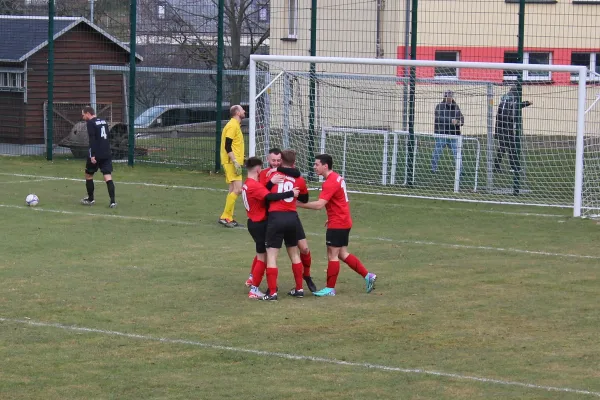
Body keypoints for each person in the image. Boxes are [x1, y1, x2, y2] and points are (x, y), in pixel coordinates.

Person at [297, 154, 377, 297]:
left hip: (338, 223)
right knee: (342, 253)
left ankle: (330, 289)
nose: (314, 167)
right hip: (343, 220)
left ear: (325, 166)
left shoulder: (330, 182)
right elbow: (340, 200)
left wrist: (298, 204)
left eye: (316, 164)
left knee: (332, 255)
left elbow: (319, 205)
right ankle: (368, 276)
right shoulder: (337, 178)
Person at [254, 148, 317, 293]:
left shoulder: (277, 175)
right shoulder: (270, 175)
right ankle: (255, 279)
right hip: (280, 217)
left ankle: (281, 289)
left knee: (295, 250)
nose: (275, 163)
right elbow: (262, 194)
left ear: (282, 160)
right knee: (268, 252)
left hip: (284, 217)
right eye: (273, 160)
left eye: (278, 160)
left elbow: (264, 194)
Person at [242, 157, 299, 299]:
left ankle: (256, 285)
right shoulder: (254, 185)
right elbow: (270, 197)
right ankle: (254, 288)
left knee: (263, 256)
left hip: (253, 222)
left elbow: (263, 194)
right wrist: (291, 193)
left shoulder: (248, 184)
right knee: (263, 257)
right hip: (259, 224)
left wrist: (269, 183)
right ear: (258, 169)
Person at [262, 149, 309, 301]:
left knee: (271, 255)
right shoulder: (299, 180)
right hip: (292, 218)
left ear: (281, 161)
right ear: (294, 162)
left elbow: (265, 196)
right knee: (294, 254)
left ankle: (273, 292)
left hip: (276, 217)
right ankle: (299, 288)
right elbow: (305, 198)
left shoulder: (274, 176)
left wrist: (270, 182)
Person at [80, 106, 116, 208]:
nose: (83, 117)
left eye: (83, 115)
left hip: (96, 154)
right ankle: (112, 201)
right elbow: (107, 136)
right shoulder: (104, 122)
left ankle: (91, 199)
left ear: (88, 113)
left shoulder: (90, 123)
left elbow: (92, 140)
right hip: (106, 153)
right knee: (107, 176)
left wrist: (92, 155)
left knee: (89, 175)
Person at [218, 105, 246, 228]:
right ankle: (224, 216)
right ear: (237, 112)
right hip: (231, 162)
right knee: (238, 190)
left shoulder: (235, 125)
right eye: (242, 109)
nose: (244, 111)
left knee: (232, 190)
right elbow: (227, 146)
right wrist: (234, 161)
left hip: (234, 162)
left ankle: (229, 217)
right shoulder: (232, 125)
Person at [494, 87, 533, 173]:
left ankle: (510, 167)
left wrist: (496, 131)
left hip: (501, 127)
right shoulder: (513, 98)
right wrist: (527, 103)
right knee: (507, 147)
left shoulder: (505, 98)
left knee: (507, 147)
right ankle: (503, 167)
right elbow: (516, 106)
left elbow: (501, 113)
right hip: (507, 127)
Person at [431, 91, 464, 172]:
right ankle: (433, 168)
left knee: (457, 152)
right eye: (448, 96)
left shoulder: (456, 106)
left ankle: (460, 170)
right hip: (442, 133)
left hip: (454, 133)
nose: (449, 98)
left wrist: (460, 122)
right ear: (445, 97)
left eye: (451, 96)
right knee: (437, 151)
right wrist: (451, 121)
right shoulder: (439, 106)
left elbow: (461, 117)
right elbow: (439, 118)